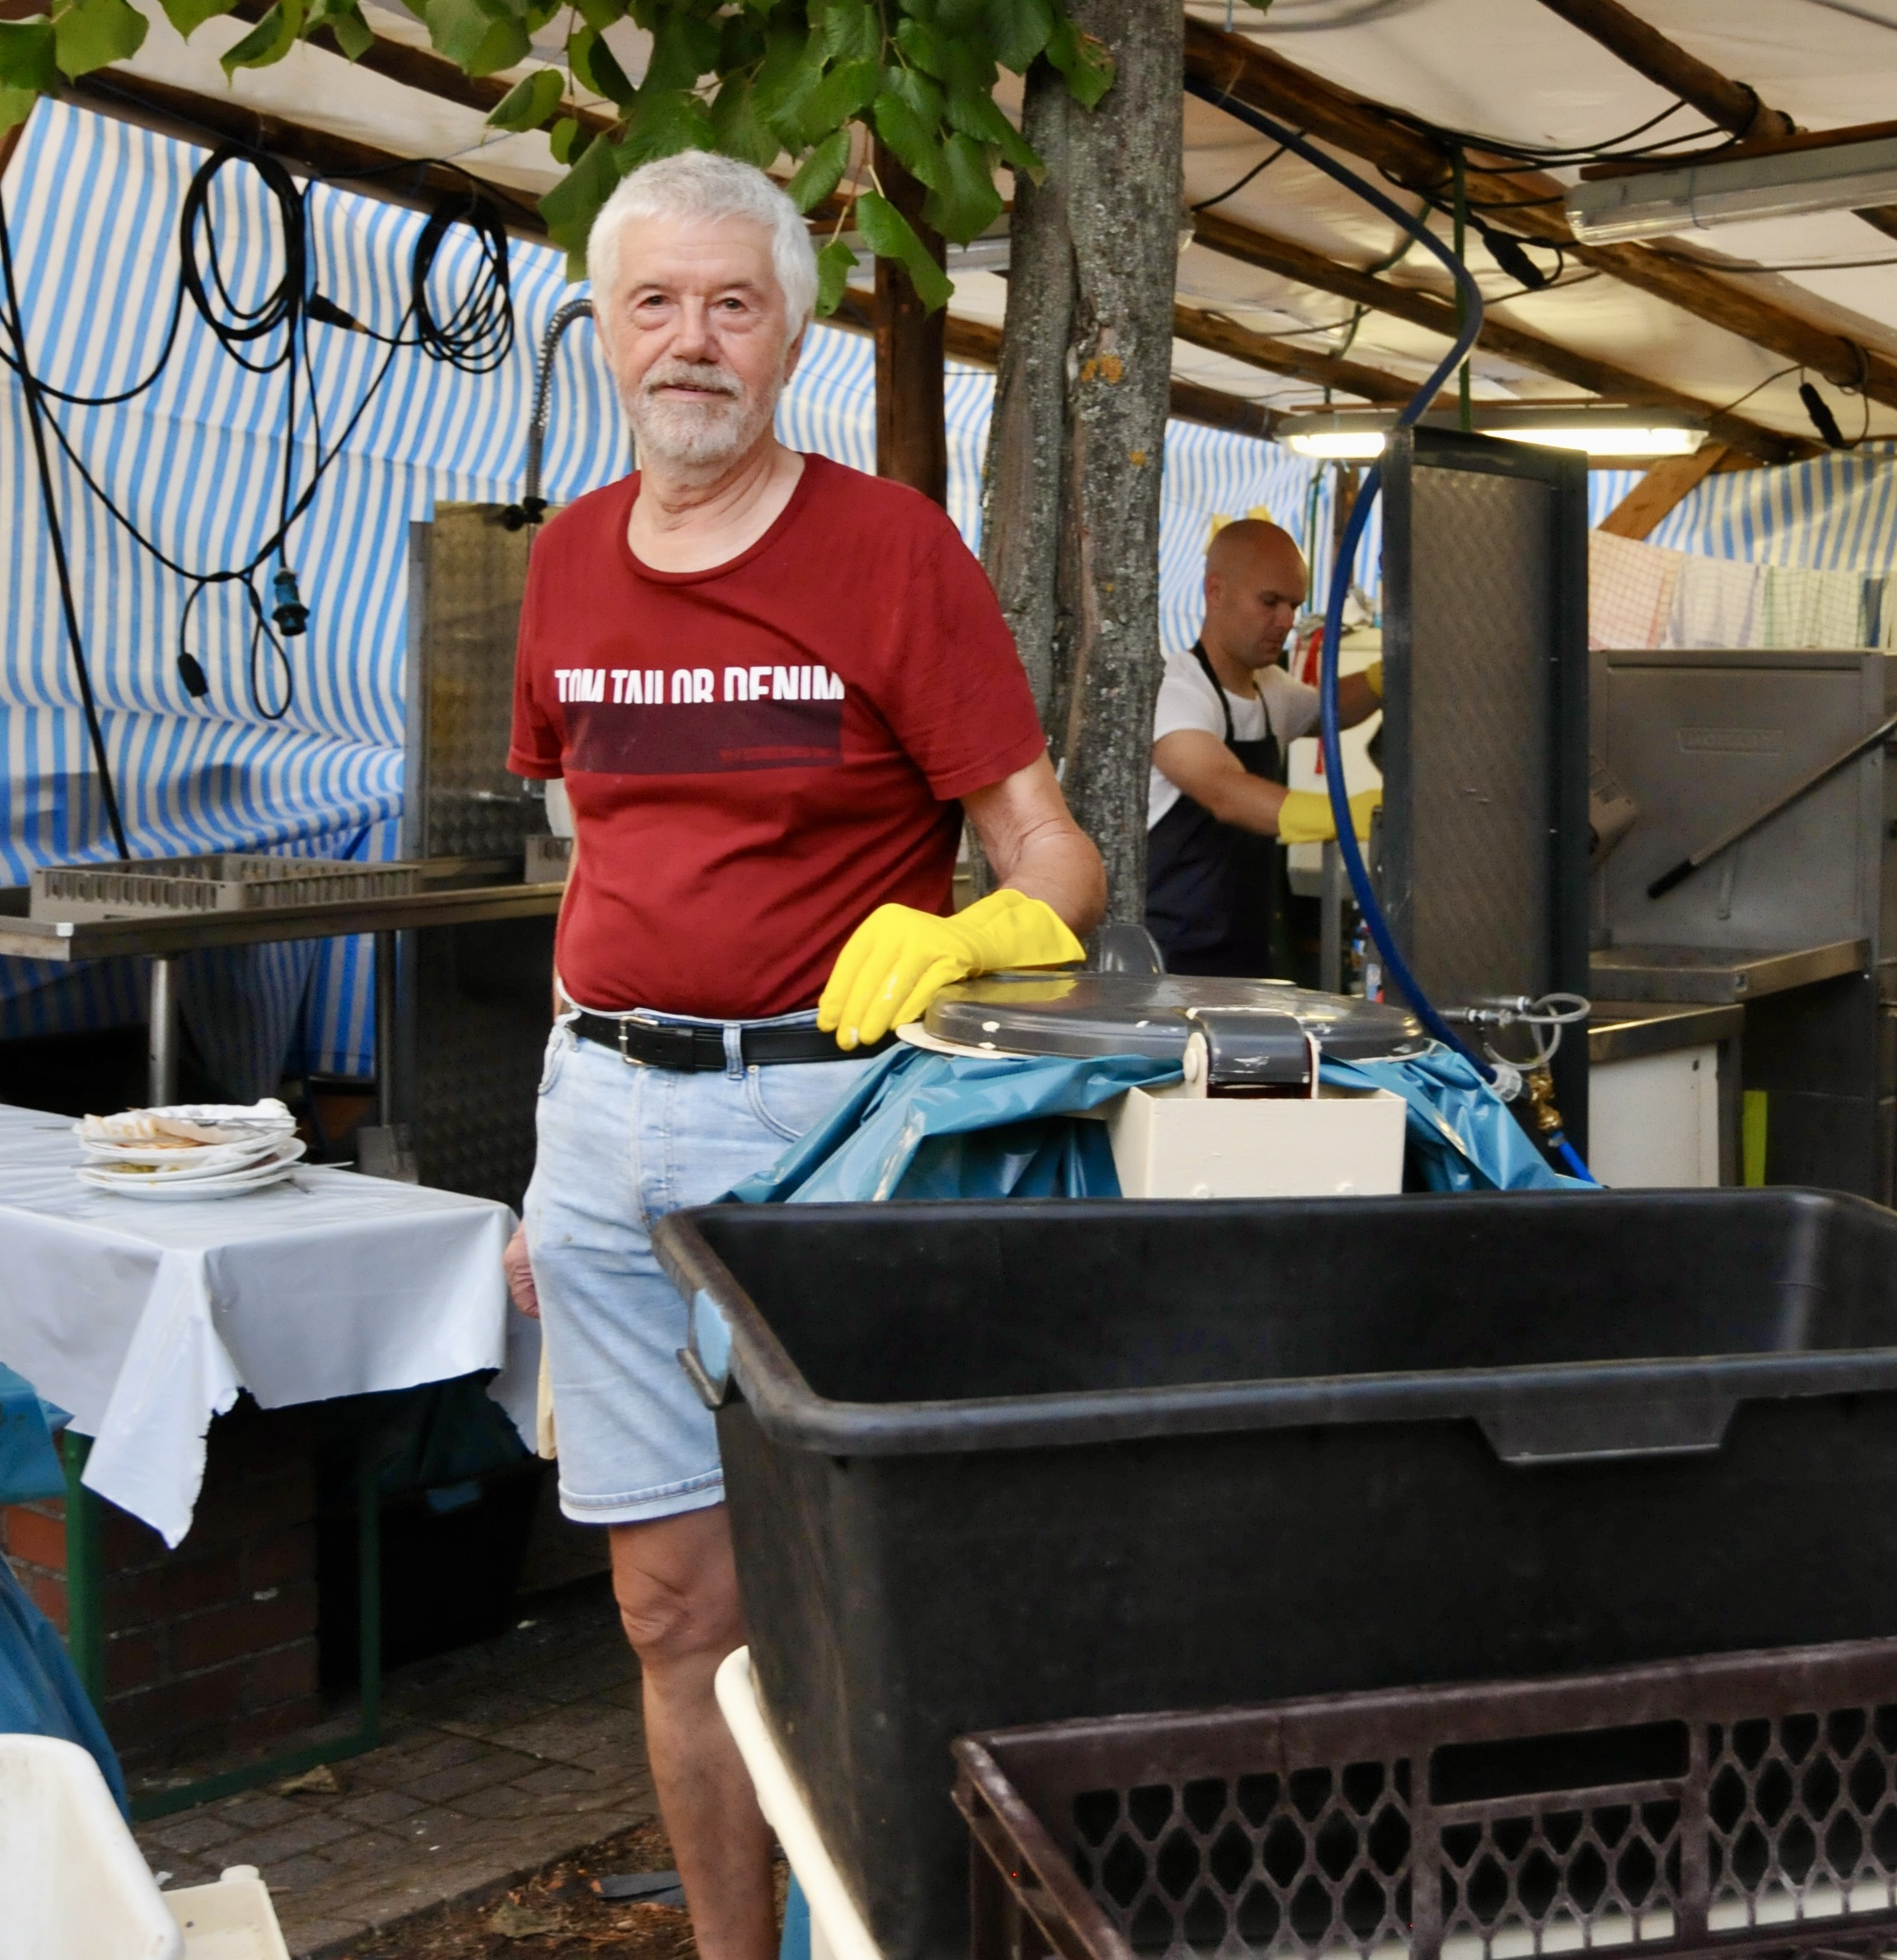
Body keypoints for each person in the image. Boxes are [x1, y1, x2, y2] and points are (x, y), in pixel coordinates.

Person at [498, 151, 1104, 1960]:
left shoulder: (888, 549)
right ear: (604, 327)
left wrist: (979, 931)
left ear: (790, 334)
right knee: (669, 1610)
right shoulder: (564, 562)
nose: (690, 340)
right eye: (653, 303)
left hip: (819, 1123)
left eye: (731, 304)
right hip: (601, 1114)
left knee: (853, 1600)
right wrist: (548, 1144)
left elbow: (1053, 854)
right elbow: (595, 857)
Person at [1145, 519, 1381, 977]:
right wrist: (1347, 814)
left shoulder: (1271, 688)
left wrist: (1380, 679)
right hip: (1168, 968)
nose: (1287, 621)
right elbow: (1224, 791)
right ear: (1216, 592)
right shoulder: (1176, 691)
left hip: (1245, 959)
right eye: (1270, 602)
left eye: (1294, 605)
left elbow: (1331, 709)